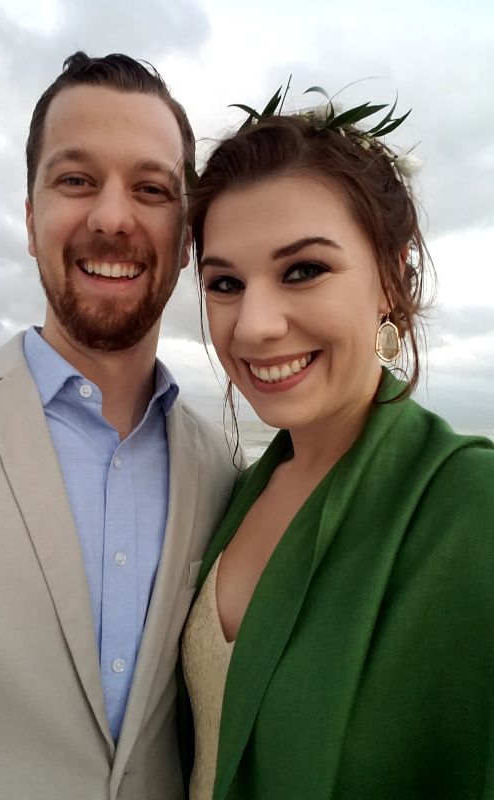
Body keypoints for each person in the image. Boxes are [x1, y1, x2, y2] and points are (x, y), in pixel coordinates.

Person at [0, 53, 241, 800]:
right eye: (77, 180)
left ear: (187, 237)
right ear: (30, 219)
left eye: (151, 189)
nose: (112, 217)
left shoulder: (223, 474)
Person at [180, 99, 494, 799]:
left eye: (302, 270)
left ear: (390, 277)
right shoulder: (241, 491)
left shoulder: (468, 508)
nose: (254, 326)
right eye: (226, 284)